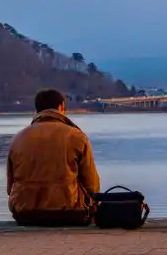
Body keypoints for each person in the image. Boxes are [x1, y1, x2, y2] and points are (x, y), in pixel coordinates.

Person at [6, 88, 100, 226]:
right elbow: (92, 184)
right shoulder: (76, 136)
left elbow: (10, 187)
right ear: (61, 106)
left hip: (24, 213)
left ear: (37, 109)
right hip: (69, 212)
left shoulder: (18, 138)